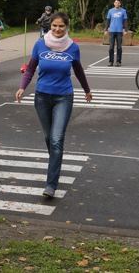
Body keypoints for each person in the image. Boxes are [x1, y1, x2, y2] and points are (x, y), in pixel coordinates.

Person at [15, 11, 92, 198]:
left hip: (63, 97)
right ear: (50, 26)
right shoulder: (40, 44)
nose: (57, 29)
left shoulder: (73, 47)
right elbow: (31, 67)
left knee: (57, 139)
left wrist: (86, 90)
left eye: (61, 26)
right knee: (49, 138)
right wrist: (22, 87)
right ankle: (55, 163)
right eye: (54, 25)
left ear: (67, 27)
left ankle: (51, 184)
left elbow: (79, 70)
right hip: (41, 97)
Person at [104, 0, 128, 67]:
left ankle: (118, 61)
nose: (117, 3)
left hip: (119, 31)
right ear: (114, 3)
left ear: (120, 4)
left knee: (119, 47)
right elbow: (108, 21)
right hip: (112, 30)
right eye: (116, 2)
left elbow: (125, 21)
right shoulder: (110, 11)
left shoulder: (123, 11)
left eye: (118, 3)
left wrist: (125, 30)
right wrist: (106, 30)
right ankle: (111, 61)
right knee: (111, 47)